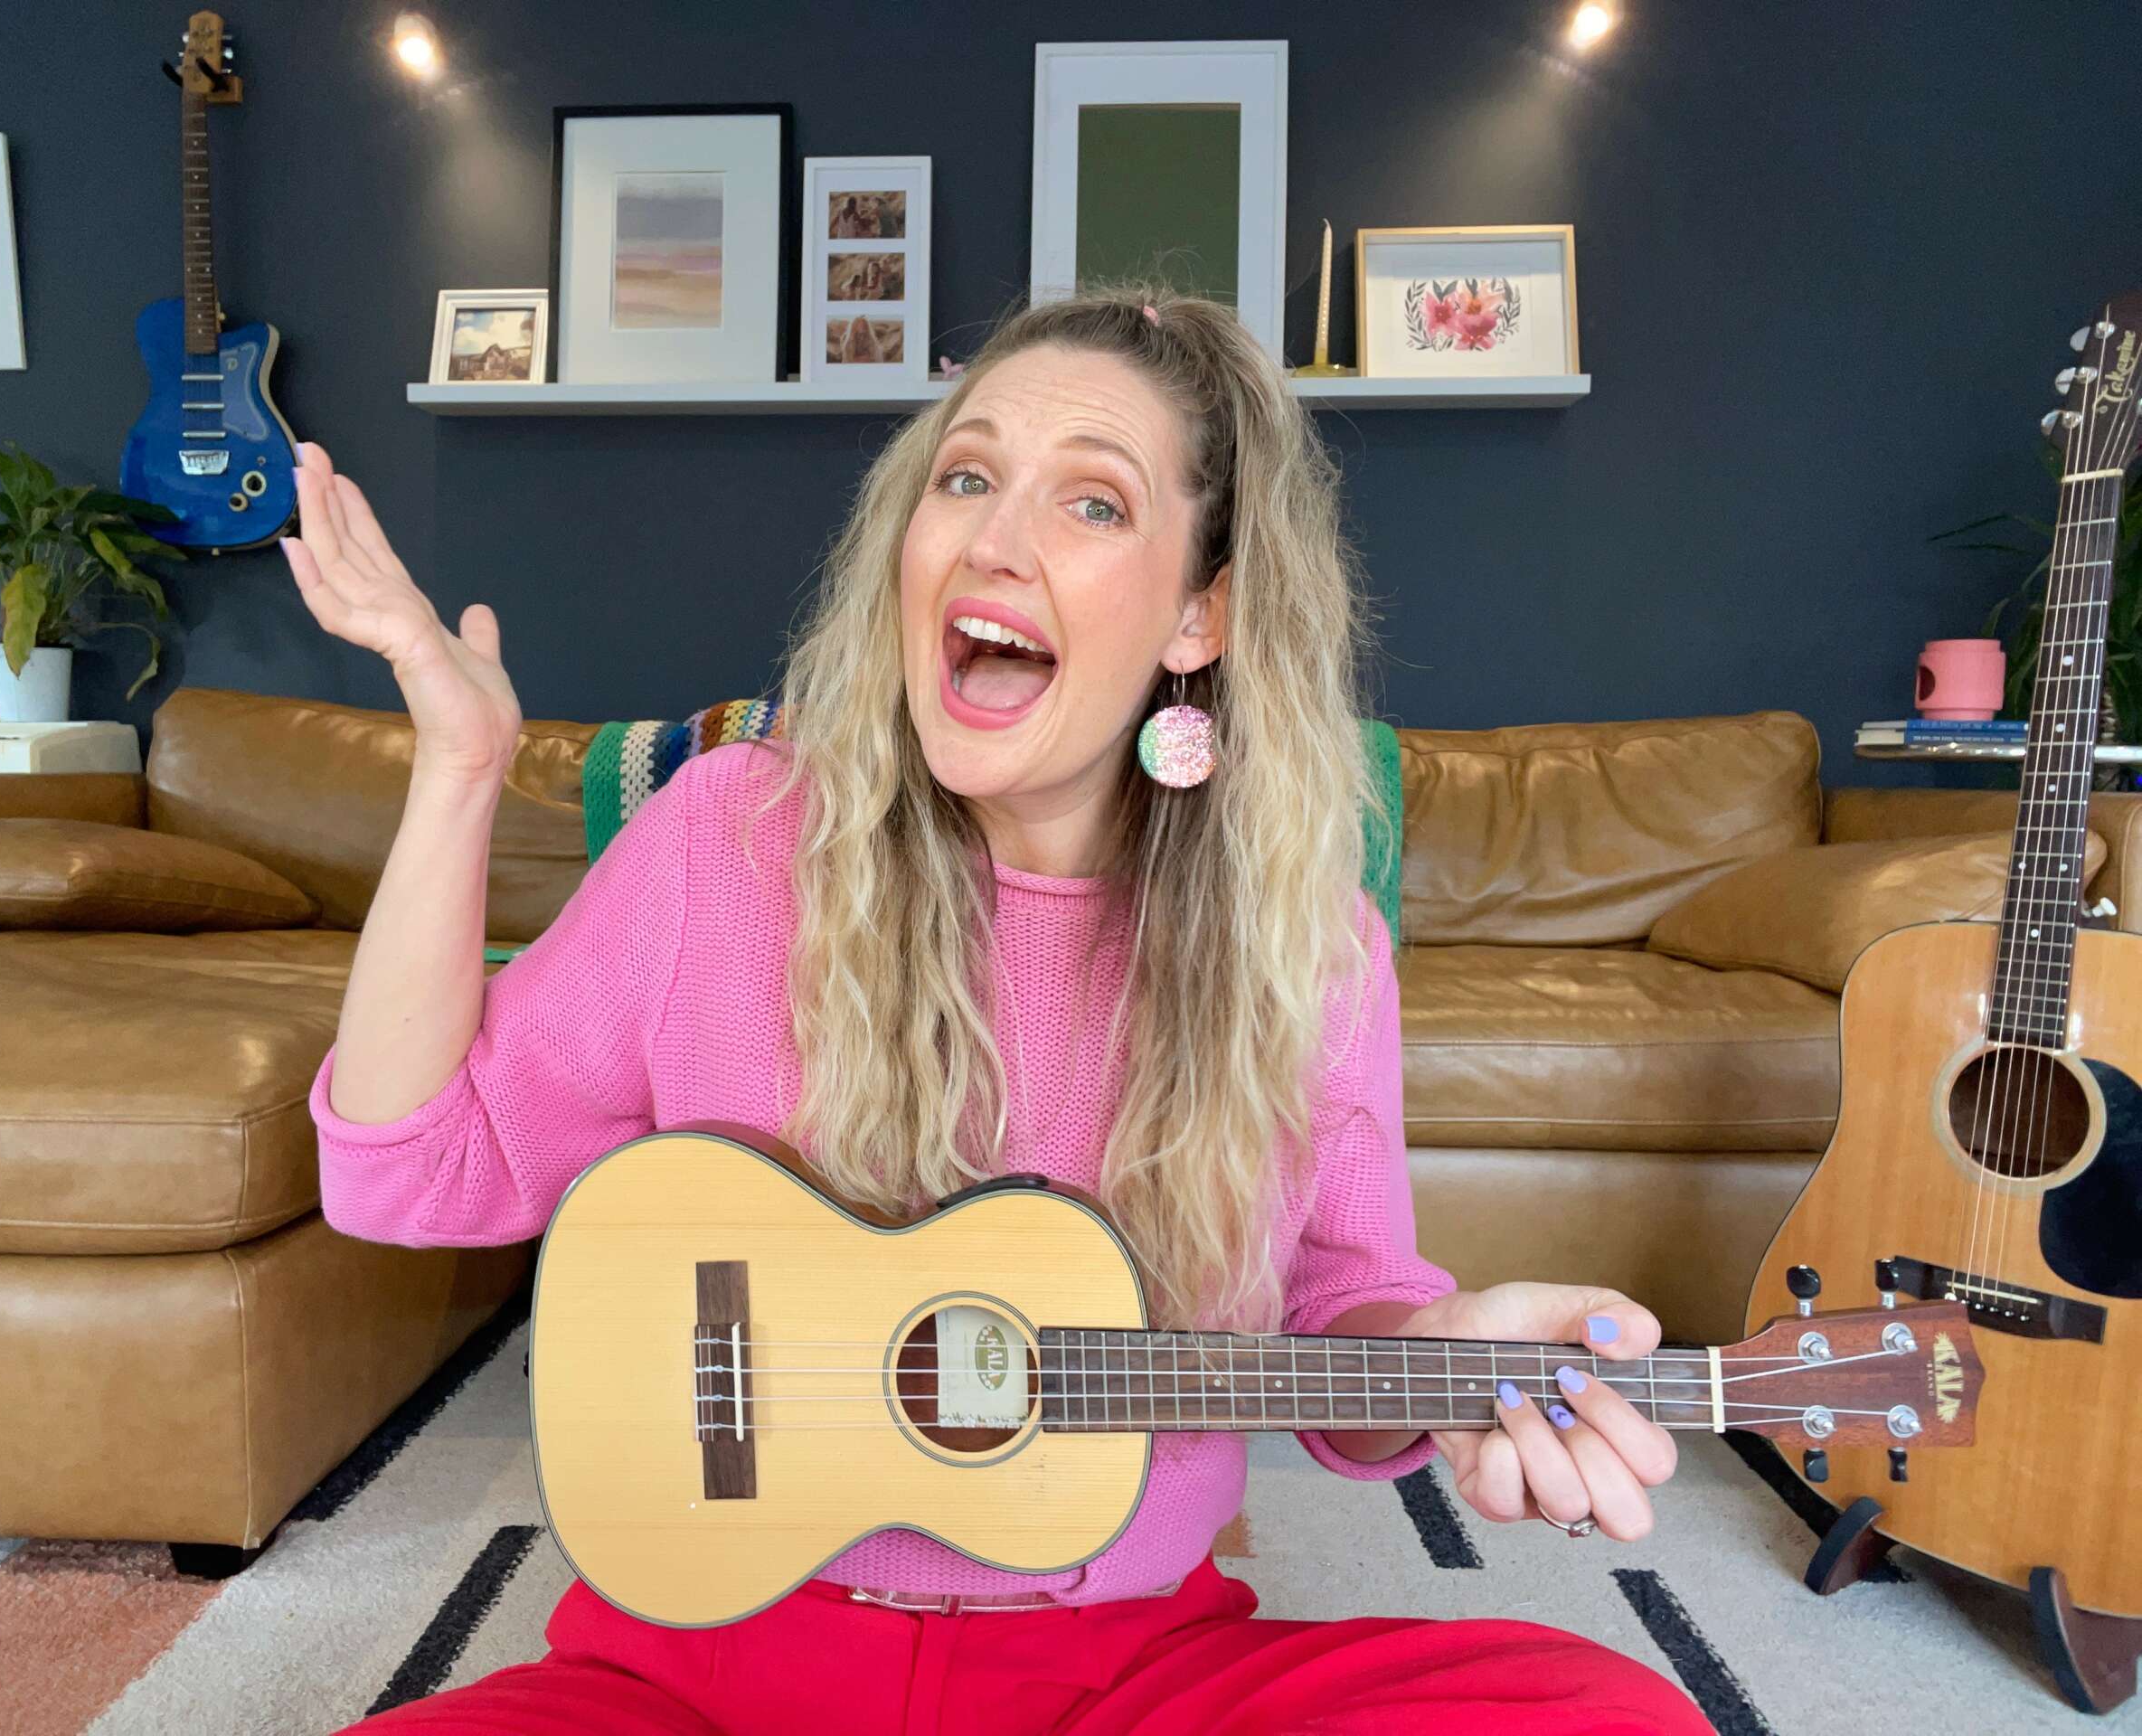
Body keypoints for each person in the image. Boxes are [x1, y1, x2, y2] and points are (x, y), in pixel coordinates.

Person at [288, 283, 1708, 1734]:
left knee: (1619, 1720)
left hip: (1125, 1673)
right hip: (699, 1675)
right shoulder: (728, 838)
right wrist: (458, 767)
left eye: (1093, 504)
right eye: (965, 478)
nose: (994, 541)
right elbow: (408, 1173)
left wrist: (1446, 1353)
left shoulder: (1311, 949)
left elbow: (1342, 1312)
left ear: (1198, 613)